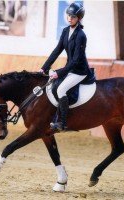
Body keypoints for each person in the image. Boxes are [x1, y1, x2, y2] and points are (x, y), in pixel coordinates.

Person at [39, 2, 92, 131]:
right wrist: (44, 67)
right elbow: (57, 50)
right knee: (52, 84)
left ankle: (63, 123)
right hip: (70, 68)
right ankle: (55, 116)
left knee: (61, 90)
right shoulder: (65, 30)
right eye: (68, 15)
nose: (69, 18)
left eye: (73, 16)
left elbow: (75, 60)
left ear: (78, 18)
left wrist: (60, 73)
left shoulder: (81, 36)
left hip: (79, 71)